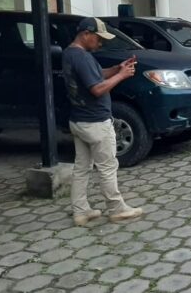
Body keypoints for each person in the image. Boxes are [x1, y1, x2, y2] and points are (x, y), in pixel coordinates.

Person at [63, 17, 143, 226]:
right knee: (108, 166)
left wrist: (117, 68)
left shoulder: (70, 54)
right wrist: (122, 76)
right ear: (86, 34)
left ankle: (80, 211)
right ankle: (117, 209)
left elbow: (96, 76)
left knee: (82, 167)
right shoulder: (83, 58)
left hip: (79, 120)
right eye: (98, 38)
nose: (101, 43)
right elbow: (97, 89)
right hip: (96, 122)